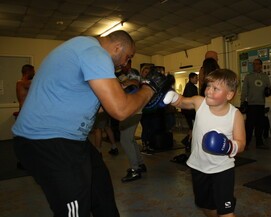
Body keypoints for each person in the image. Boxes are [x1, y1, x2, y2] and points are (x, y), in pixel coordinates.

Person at [11, 30, 170, 217]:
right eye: (128, 57)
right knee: (75, 208)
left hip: (70, 140)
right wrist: (149, 89)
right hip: (47, 141)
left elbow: (103, 106)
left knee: (101, 191)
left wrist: (137, 98)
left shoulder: (83, 48)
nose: (125, 64)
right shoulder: (95, 53)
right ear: (117, 47)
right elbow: (120, 111)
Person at [163, 69, 246, 217]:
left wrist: (228, 146)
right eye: (208, 86)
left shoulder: (235, 114)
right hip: (198, 167)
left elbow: (241, 143)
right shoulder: (199, 102)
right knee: (207, 208)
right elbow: (182, 101)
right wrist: (171, 96)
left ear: (229, 94)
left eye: (215, 88)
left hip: (222, 169)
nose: (209, 91)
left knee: (226, 213)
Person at [116, 59, 147, 182]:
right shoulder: (120, 74)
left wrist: (121, 85)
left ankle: (135, 170)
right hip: (129, 109)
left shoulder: (133, 73)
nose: (122, 65)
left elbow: (133, 85)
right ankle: (140, 164)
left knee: (125, 140)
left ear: (129, 63)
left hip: (132, 109)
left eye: (124, 63)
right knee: (130, 139)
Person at [241, 58, 271, 149]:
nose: (255, 65)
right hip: (251, 105)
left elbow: (269, 88)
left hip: (261, 104)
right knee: (249, 126)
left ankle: (259, 143)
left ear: (261, 65)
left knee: (260, 125)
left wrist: (269, 91)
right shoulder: (248, 76)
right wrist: (242, 101)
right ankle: (245, 144)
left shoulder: (265, 77)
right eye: (253, 64)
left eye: (257, 64)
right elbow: (244, 90)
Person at [15, 64, 35, 170]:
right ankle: (23, 161)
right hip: (25, 113)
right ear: (28, 72)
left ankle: (26, 160)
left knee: (29, 137)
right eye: (33, 71)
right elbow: (37, 84)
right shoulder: (22, 83)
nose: (34, 73)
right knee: (26, 138)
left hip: (26, 112)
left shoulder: (24, 83)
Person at [181, 72, 198, 150]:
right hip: (190, 112)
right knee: (193, 128)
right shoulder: (191, 87)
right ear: (191, 78)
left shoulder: (189, 86)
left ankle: (188, 142)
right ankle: (188, 142)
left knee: (192, 128)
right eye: (195, 78)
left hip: (188, 111)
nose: (197, 79)